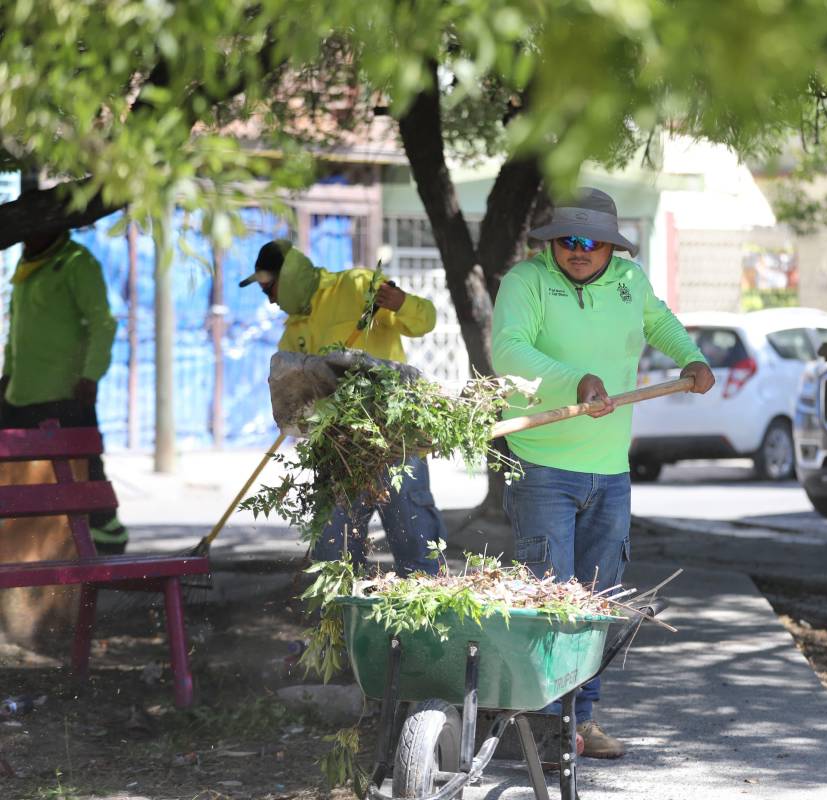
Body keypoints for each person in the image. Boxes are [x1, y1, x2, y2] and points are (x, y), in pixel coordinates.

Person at [492, 188, 716, 758]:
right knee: (548, 599)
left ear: (614, 247)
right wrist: (577, 381)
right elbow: (509, 350)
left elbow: (661, 325)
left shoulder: (630, 282)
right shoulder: (526, 282)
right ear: (550, 242)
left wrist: (691, 357)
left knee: (596, 601)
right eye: (567, 239)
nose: (578, 250)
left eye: (592, 241)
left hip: (610, 470)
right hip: (541, 463)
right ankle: (544, 725)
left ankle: (580, 720)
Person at [240, 239, 446, 574]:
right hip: (339, 447)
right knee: (334, 550)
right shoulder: (293, 332)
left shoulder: (357, 286)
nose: (271, 299)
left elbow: (424, 321)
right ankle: (343, 620)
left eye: (270, 288)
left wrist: (401, 303)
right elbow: (296, 389)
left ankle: (427, 620)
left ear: (289, 276)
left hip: (393, 435)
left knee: (414, 536)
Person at [1, 233, 126, 553]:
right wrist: (8, 376)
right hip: (20, 391)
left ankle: (106, 541)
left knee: (84, 472)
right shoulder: (27, 265)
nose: (24, 238)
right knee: (22, 479)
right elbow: (18, 330)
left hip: (65, 392)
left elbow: (103, 324)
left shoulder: (77, 262)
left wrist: (91, 375)